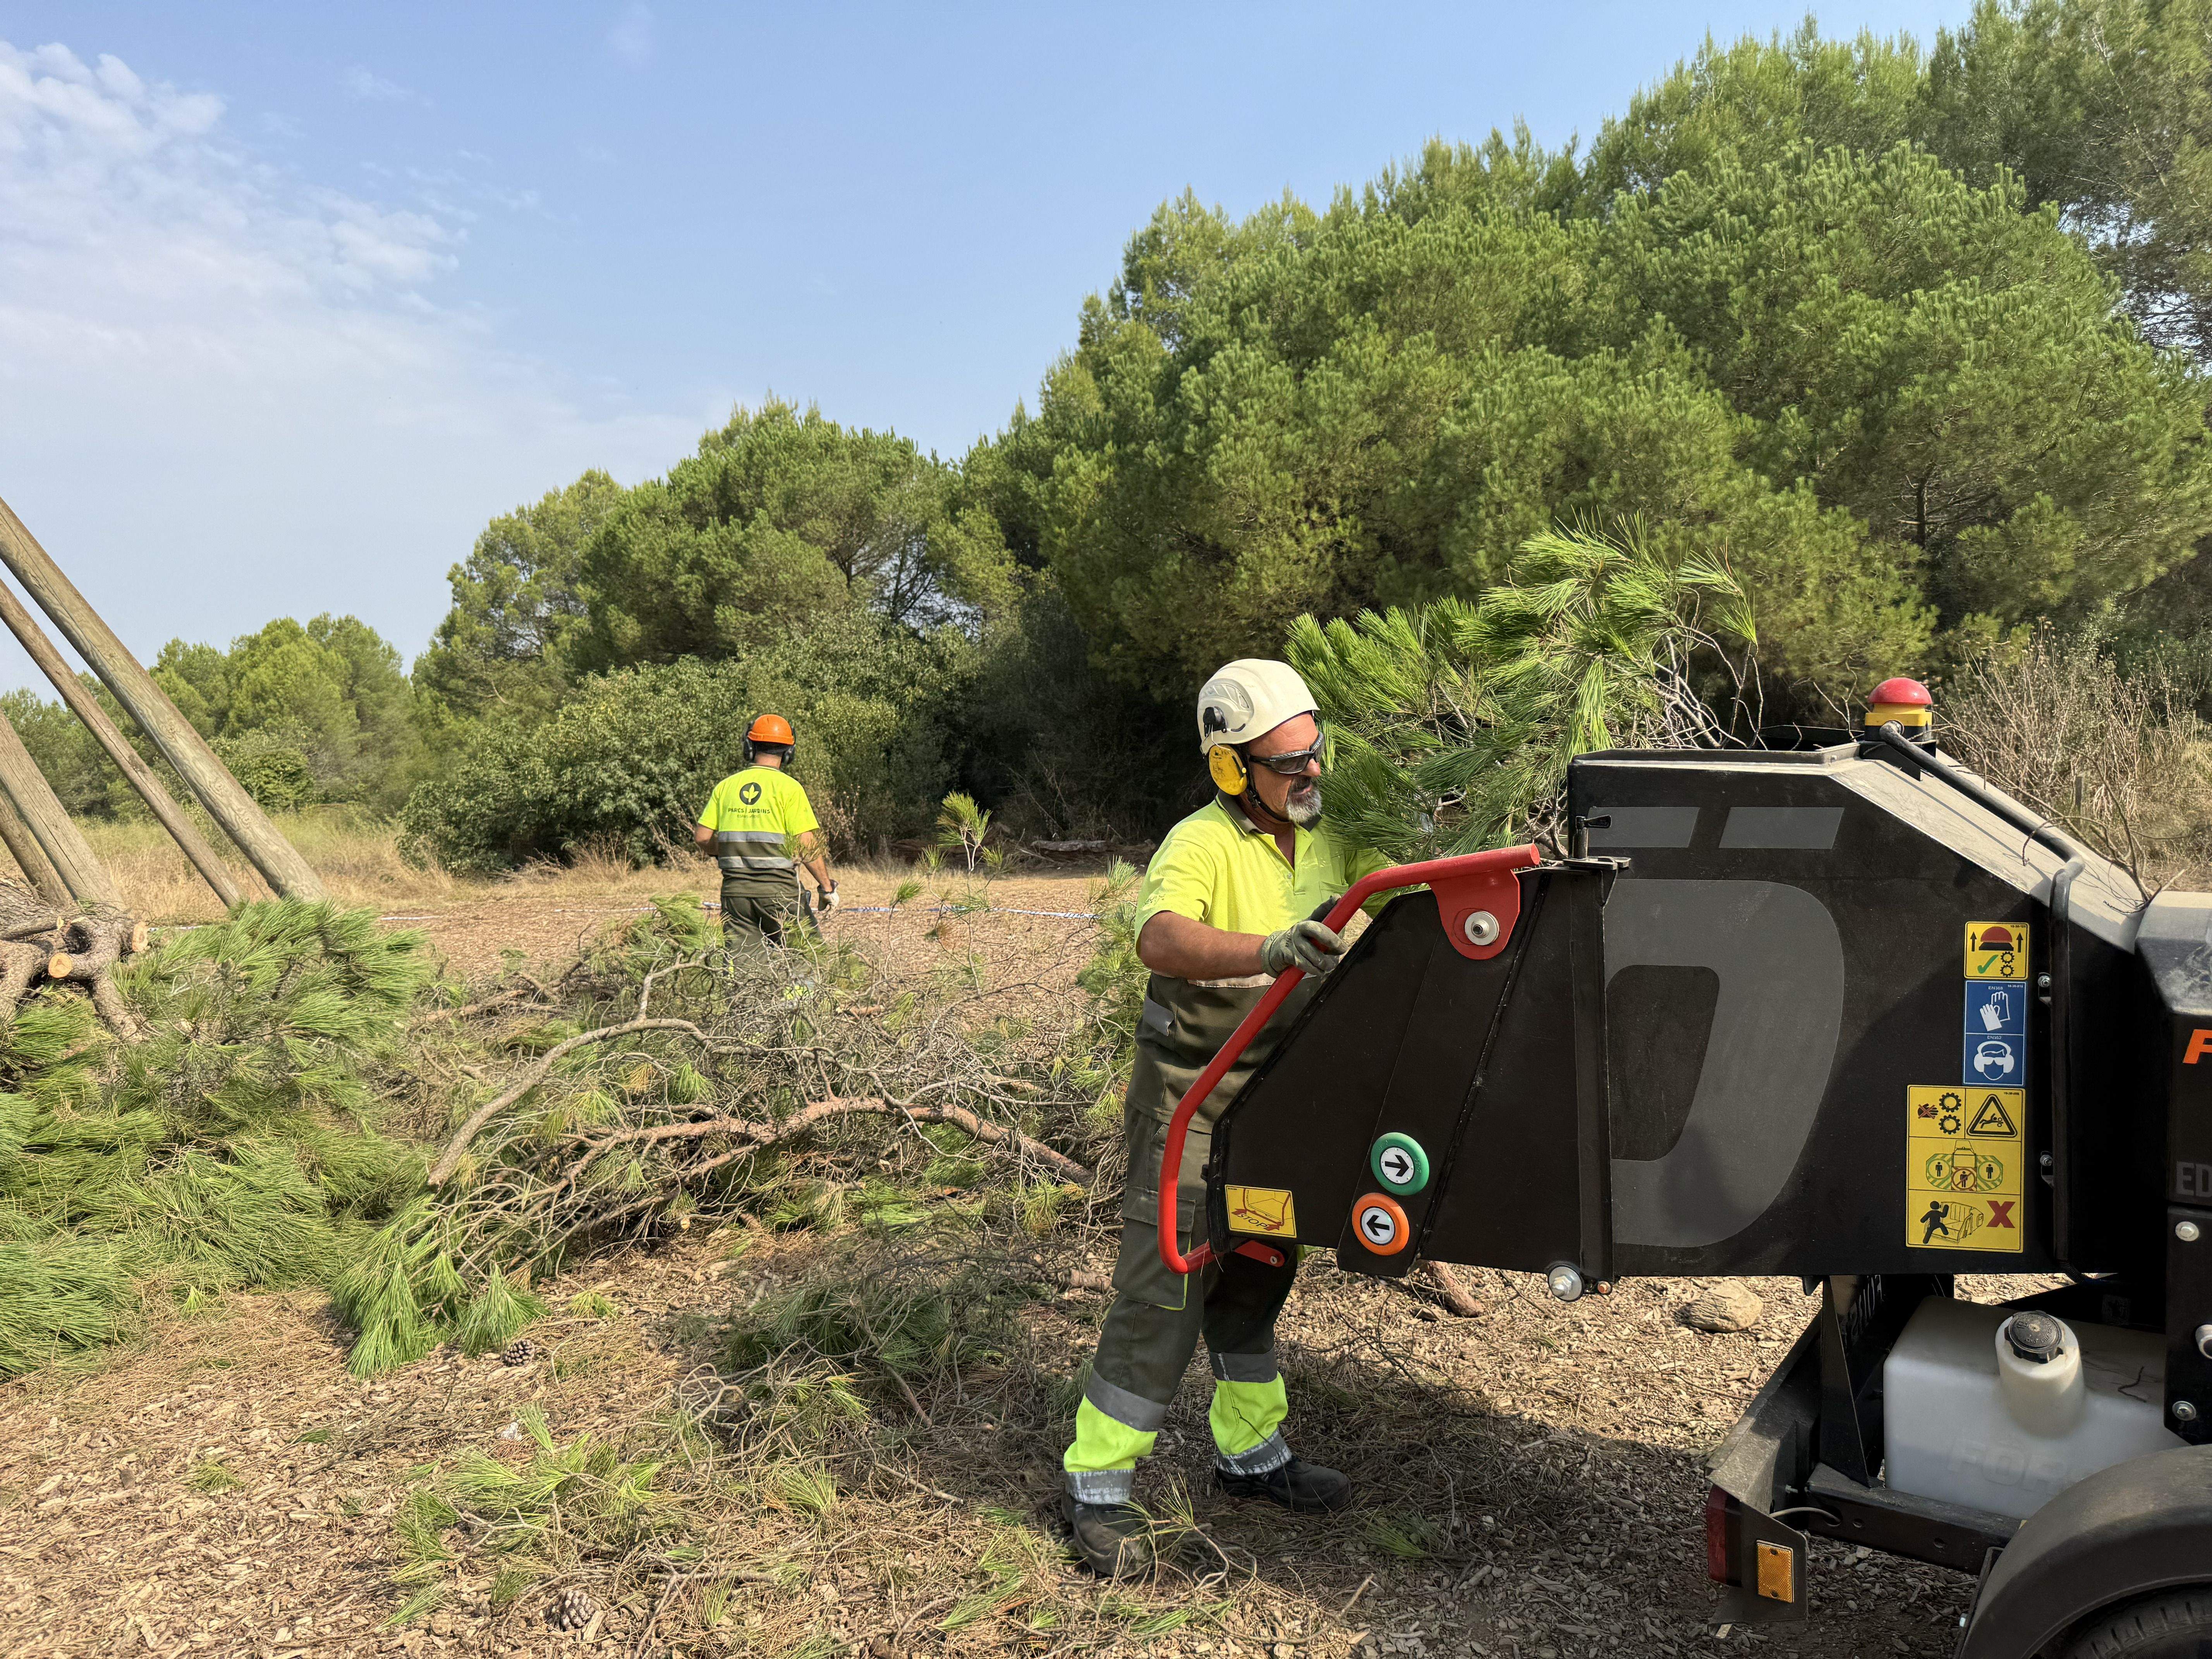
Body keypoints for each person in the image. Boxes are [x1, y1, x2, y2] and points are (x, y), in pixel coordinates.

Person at [1061, 658, 1388, 1577]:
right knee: (1164, 1286)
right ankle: (1097, 1486)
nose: (1311, 773)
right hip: (1192, 1098)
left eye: (1316, 753)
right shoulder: (1200, 843)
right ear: (1233, 771)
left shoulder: (1330, 834)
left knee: (1257, 1272)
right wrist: (1269, 947)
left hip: (1280, 1098)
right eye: (1290, 764)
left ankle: (1250, 1456)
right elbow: (1158, 937)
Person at [693, 714, 839, 944]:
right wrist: (827, 887)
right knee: (804, 960)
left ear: (749, 747)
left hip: (736, 893)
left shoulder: (726, 787)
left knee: (744, 968)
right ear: (788, 752)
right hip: (780, 892)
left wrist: (725, 851)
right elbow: (807, 845)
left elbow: (702, 838)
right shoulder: (790, 788)